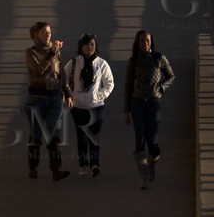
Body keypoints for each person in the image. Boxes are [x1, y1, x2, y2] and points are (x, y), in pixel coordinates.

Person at [123, 29, 174, 188]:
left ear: (151, 42)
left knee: (152, 142)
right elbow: (128, 86)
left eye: (147, 41)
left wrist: (161, 88)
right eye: (141, 41)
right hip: (137, 102)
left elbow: (171, 75)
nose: (144, 44)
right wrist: (126, 111)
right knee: (140, 139)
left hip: (154, 103)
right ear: (137, 43)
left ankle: (153, 160)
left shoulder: (159, 58)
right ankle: (144, 175)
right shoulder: (133, 61)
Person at [24, 21, 71, 181]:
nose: (48, 34)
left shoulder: (55, 50)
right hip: (36, 99)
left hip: (54, 99)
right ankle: (33, 168)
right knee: (36, 136)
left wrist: (67, 93)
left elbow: (61, 74)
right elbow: (37, 71)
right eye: (44, 32)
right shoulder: (30, 52)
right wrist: (51, 53)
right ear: (35, 34)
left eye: (49, 32)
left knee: (54, 136)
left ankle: (56, 170)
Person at [66, 32, 115, 177]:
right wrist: (69, 97)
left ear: (96, 46)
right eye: (86, 44)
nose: (89, 47)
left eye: (92, 44)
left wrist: (99, 96)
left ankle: (95, 164)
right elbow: (64, 80)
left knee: (94, 136)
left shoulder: (101, 63)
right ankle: (83, 165)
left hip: (96, 107)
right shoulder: (74, 63)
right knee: (81, 137)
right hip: (78, 107)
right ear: (81, 46)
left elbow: (109, 83)